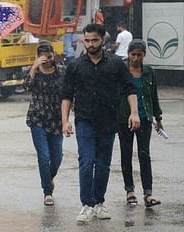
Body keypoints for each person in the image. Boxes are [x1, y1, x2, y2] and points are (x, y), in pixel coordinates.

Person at [61, 23, 140, 223]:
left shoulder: (116, 64)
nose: (90, 44)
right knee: (87, 162)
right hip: (84, 120)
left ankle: (98, 202)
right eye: (87, 40)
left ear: (103, 40)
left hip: (108, 121)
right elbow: (67, 95)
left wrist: (134, 113)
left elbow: (130, 89)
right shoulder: (75, 66)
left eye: (94, 40)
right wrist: (65, 121)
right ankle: (86, 204)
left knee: (103, 164)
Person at [118, 39, 163, 208]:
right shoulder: (121, 70)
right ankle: (129, 191)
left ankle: (148, 193)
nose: (136, 58)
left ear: (144, 55)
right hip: (124, 119)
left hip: (144, 118)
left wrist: (158, 118)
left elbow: (153, 95)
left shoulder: (149, 72)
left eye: (139, 55)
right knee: (126, 154)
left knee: (144, 155)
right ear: (128, 54)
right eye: (133, 55)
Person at [26, 43, 65, 206]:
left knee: (57, 156)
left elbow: (68, 92)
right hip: (38, 118)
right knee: (44, 156)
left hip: (56, 118)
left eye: (49, 56)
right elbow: (25, 86)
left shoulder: (61, 70)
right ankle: (47, 191)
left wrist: (67, 118)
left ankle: (49, 178)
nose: (47, 60)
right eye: (43, 57)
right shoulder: (34, 71)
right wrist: (34, 68)